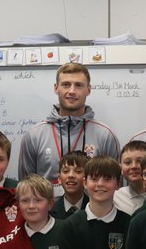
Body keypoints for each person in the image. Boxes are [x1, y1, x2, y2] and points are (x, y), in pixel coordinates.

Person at [18, 62, 119, 193]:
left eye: (78, 85)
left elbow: (116, 185)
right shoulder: (34, 136)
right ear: (56, 88)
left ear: (88, 89)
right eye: (66, 85)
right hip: (46, 212)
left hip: (92, 212)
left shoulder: (105, 135)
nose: (72, 91)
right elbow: (25, 187)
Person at [113, 140, 146, 215]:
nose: (134, 166)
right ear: (120, 168)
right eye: (128, 162)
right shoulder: (114, 197)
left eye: (140, 161)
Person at [51, 151, 88, 220]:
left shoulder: (95, 210)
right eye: (65, 171)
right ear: (59, 179)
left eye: (78, 171)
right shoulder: (49, 211)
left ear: (86, 179)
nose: (71, 175)